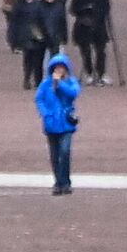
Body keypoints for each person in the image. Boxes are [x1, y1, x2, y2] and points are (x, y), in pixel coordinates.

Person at [35, 54, 81, 196]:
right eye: (56, 67)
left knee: (65, 152)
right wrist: (45, 114)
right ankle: (58, 182)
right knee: (55, 155)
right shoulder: (45, 84)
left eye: (62, 67)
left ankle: (66, 181)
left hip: (66, 123)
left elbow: (74, 93)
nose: (59, 70)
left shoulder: (71, 82)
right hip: (51, 124)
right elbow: (39, 99)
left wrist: (59, 84)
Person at [70, 0, 112, 86]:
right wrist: (84, 10)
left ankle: (101, 73)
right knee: (86, 52)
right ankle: (89, 73)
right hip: (83, 28)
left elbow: (106, 9)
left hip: (98, 27)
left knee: (101, 52)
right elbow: (73, 9)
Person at [8, 0, 47, 90]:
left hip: (38, 35)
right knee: (28, 58)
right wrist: (13, 39)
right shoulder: (19, 5)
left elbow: (43, 19)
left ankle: (38, 80)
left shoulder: (39, 4)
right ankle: (27, 77)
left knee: (38, 59)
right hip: (25, 34)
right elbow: (14, 22)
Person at [31, 0, 69, 76]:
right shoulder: (38, 6)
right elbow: (34, 22)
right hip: (42, 38)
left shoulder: (59, 6)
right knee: (40, 61)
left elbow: (62, 22)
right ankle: (40, 80)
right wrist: (38, 35)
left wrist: (64, 37)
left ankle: (55, 78)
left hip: (55, 37)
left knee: (56, 59)